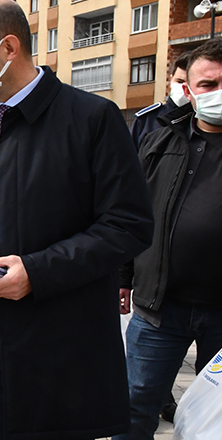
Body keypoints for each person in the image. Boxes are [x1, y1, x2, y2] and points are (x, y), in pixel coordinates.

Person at [0, 1, 154, 438]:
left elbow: (128, 224)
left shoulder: (91, 119)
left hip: (56, 351)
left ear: (8, 48)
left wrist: (36, 271)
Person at [115, 39, 222, 440]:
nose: (217, 93)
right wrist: (122, 277)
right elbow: (129, 215)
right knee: (134, 406)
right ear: (189, 91)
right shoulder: (159, 143)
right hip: (160, 308)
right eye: (208, 85)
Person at [130, 51, 191, 150]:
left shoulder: (205, 121)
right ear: (171, 80)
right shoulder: (147, 119)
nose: (183, 87)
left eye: (189, 83)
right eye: (179, 81)